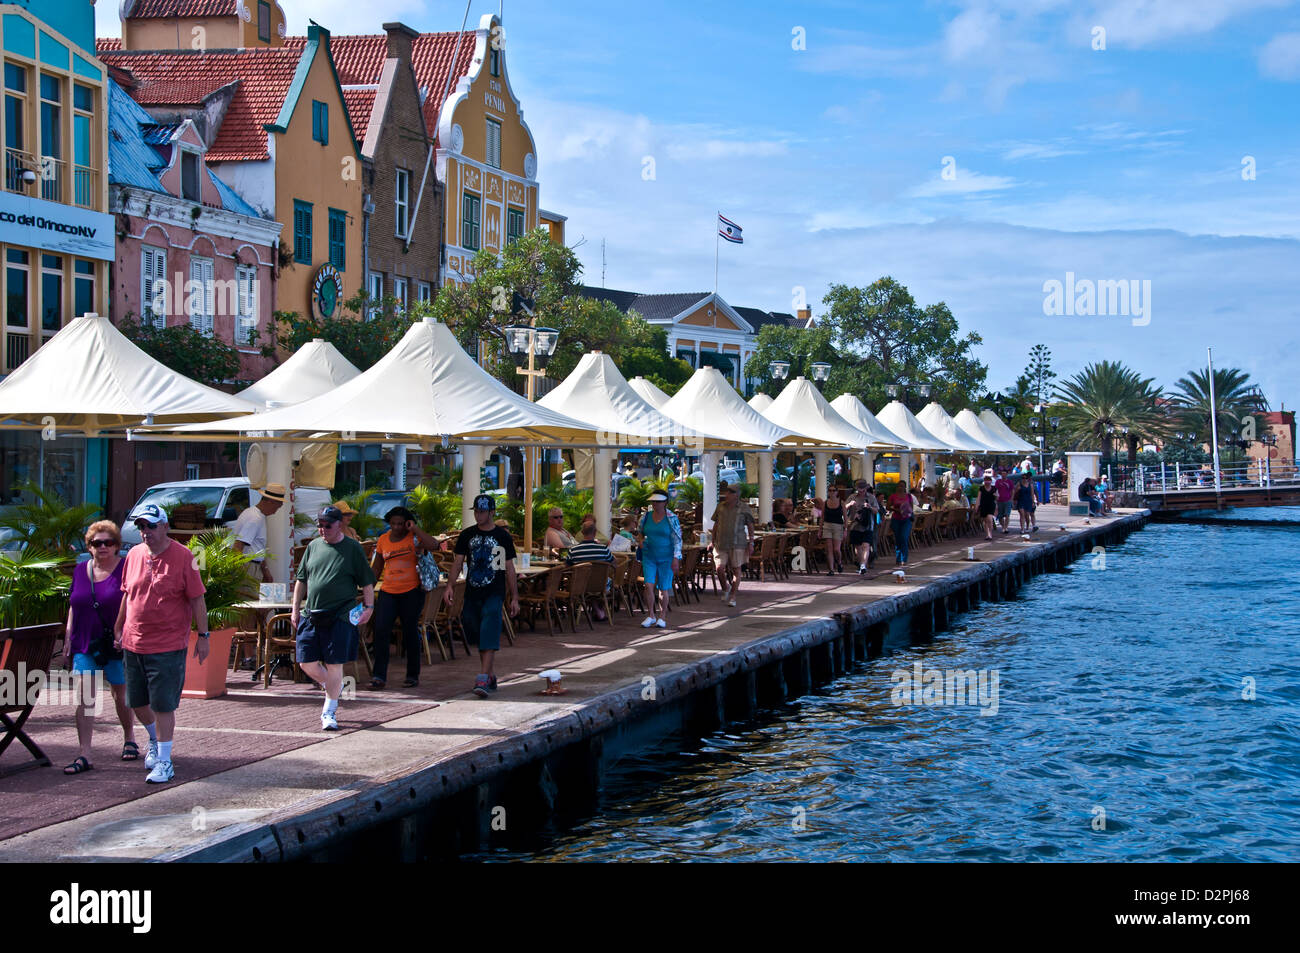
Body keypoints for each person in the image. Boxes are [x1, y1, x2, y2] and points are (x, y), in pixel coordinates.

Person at [114, 503, 209, 784]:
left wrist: (203, 636)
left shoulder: (185, 556)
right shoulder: (132, 555)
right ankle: (155, 739)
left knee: (163, 704)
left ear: (165, 526)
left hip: (168, 644)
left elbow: (197, 598)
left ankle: (165, 761)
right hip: (134, 642)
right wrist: (118, 627)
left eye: (151, 526)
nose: (146, 532)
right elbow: (127, 595)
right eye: (141, 526)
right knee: (137, 702)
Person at [61, 521, 136, 775]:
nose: (102, 547)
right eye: (96, 543)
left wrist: (126, 634)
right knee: (85, 698)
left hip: (116, 641)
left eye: (108, 542)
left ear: (117, 546)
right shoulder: (81, 570)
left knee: (120, 693)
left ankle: (129, 737)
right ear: (89, 546)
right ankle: (85, 753)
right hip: (85, 641)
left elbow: (134, 604)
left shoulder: (125, 569)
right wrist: (68, 637)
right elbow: (74, 604)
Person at [293, 506, 375, 729]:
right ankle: (335, 687)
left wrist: (369, 606)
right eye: (319, 524)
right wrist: (294, 610)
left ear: (340, 524)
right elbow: (302, 580)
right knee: (305, 663)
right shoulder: (312, 546)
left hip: (340, 615)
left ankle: (329, 711)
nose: (322, 529)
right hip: (311, 614)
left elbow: (366, 581)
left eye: (327, 525)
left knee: (334, 664)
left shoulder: (353, 548)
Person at [445, 494, 519, 698]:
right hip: (472, 590)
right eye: (476, 511)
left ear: (492, 512)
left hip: (494, 590)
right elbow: (458, 562)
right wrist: (450, 585)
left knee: (489, 624)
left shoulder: (502, 537)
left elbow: (507, 567)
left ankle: (483, 677)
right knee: (474, 628)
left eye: (483, 511)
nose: (479, 515)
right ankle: (490, 674)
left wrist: (514, 597)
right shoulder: (467, 535)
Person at [369, 506, 439, 690]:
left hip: (411, 591)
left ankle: (412, 675)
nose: (397, 527)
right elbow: (377, 567)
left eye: (401, 523)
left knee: (410, 632)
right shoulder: (383, 540)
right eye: (393, 523)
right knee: (381, 631)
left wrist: (414, 528)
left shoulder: (414, 539)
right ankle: (378, 676)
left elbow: (434, 544)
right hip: (388, 591)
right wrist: (367, 587)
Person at [637, 491, 681, 629]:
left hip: (666, 557)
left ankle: (662, 616)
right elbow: (640, 532)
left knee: (664, 588)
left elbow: (677, 539)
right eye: (653, 501)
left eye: (658, 501)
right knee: (648, 585)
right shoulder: (646, 516)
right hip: (649, 555)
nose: (655, 504)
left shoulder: (672, 518)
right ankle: (650, 615)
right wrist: (640, 540)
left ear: (665, 502)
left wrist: (676, 557)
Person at [231, 483, 286, 583]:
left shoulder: (254, 514)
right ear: (270, 502)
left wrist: (265, 571)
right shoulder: (255, 518)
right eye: (277, 507)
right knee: (250, 598)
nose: (275, 512)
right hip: (247, 567)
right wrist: (238, 573)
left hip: (251, 566)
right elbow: (238, 545)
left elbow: (257, 547)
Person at [711, 483, 754, 607]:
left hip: (738, 543)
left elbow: (750, 525)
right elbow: (716, 524)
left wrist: (751, 542)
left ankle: (733, 596)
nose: (727, 494)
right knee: (719, 568)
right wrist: (712, 540)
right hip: (721, 543)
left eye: (731, 492)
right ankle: (725, 587)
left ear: (737, 495)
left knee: (736, 569)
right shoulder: (720, 507)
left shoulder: (744, 508)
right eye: (727, 492)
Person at [846, 480, 878, 575]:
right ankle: (861, 565)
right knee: (858, 547)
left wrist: (869, 507)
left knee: (866, 546)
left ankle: (863, 565)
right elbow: (843, 507)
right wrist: (849, 505)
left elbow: (876, 510)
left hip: (867, 526)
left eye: (863, 490)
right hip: (855, 525)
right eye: (859, 490)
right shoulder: (852, 497)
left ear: (866, 488)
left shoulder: (871, 498)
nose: (861, 492)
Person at [819, 486, 846, 574]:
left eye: (834, 490)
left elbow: (846, 517)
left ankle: (839, 562)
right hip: (827, 526)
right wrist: (820, 529)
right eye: (830, 490)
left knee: (836, 549)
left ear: (837, 492)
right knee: (829, 549)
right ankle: (831, 569)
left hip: (838, 526)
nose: (832, 492)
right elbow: (822, 517)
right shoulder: (825, 503)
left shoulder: (841, 503)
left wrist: (845, 529)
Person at [887, 483, 915, 566]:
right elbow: (888, 507)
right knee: (898, 538)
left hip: (906, 519)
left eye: (902, 486)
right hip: (896, 519)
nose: (900, 487)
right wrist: (897, 510)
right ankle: (898, 558)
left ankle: (904, 558)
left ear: (905, 487)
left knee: (904, 537)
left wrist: (905, 510)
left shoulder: (909, 496)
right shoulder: (893, 496)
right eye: (899, 486)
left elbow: (911, 508)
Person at [977, 475, 998, 540]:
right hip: (983, 505)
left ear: (991, 481)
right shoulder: (981, 488)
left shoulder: (994, 488)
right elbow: (979, 497)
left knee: (990, 519)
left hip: (991, 505)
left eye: (988, 480)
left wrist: (996, 496)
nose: (987, 482)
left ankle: (990, 534)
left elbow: (997, 497)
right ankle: (987, 534)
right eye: (986, 480)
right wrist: (977, 505)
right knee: (985, 521)